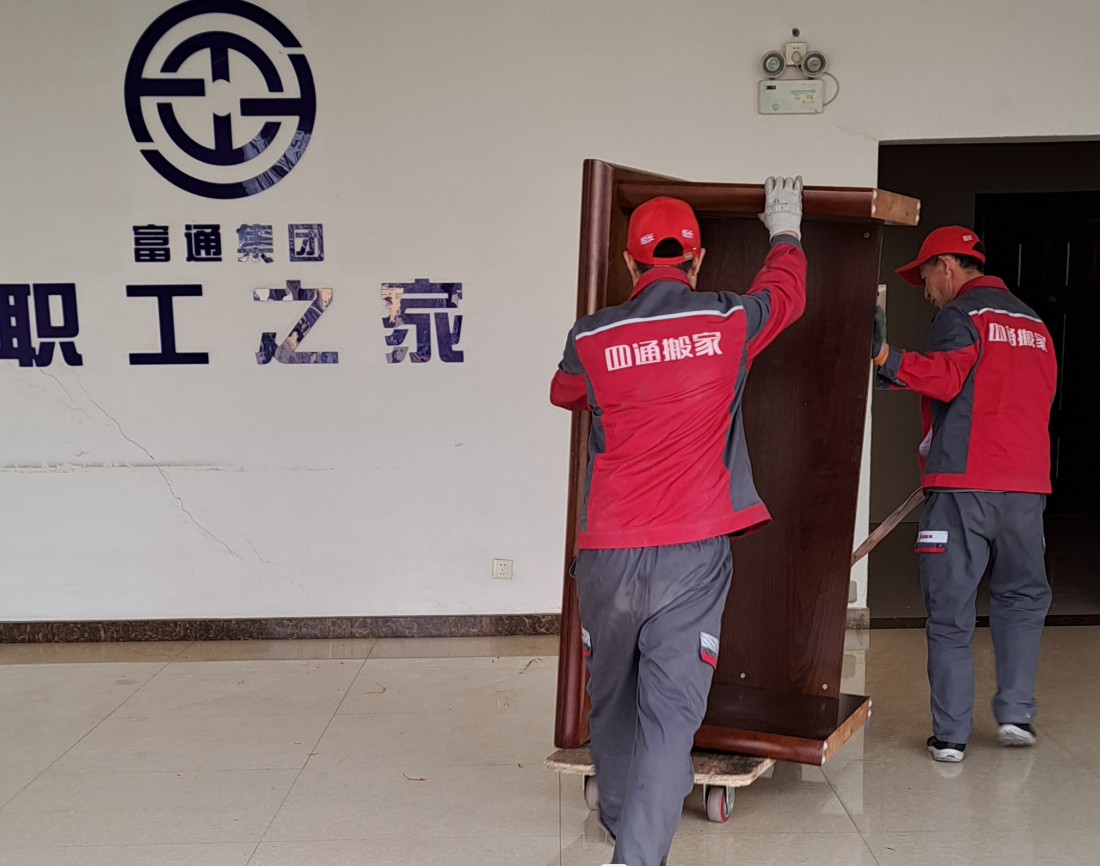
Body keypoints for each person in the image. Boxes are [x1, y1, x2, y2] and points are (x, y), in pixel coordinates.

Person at [549, 177, 806, 865]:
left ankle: (617, 821)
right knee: (669, 718)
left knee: (610, 698)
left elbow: (565, 391)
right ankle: (636, 855)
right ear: (697, 261)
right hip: (691, 555)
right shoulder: (728, 322)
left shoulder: (592, 334)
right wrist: (784, 229)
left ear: (629, 262)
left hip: (607, 553)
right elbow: (785, 295)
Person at [874, 226, 1057, 763]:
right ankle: (1016, 714)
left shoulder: (960, 316)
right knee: (1022, 598)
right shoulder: (1036, 324)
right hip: (1027, 488)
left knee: (950, 608)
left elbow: (947, 378)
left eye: (926, 278)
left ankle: (951, 736)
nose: (926, 291)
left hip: (964, 487)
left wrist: (883, 355)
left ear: (947, 267)